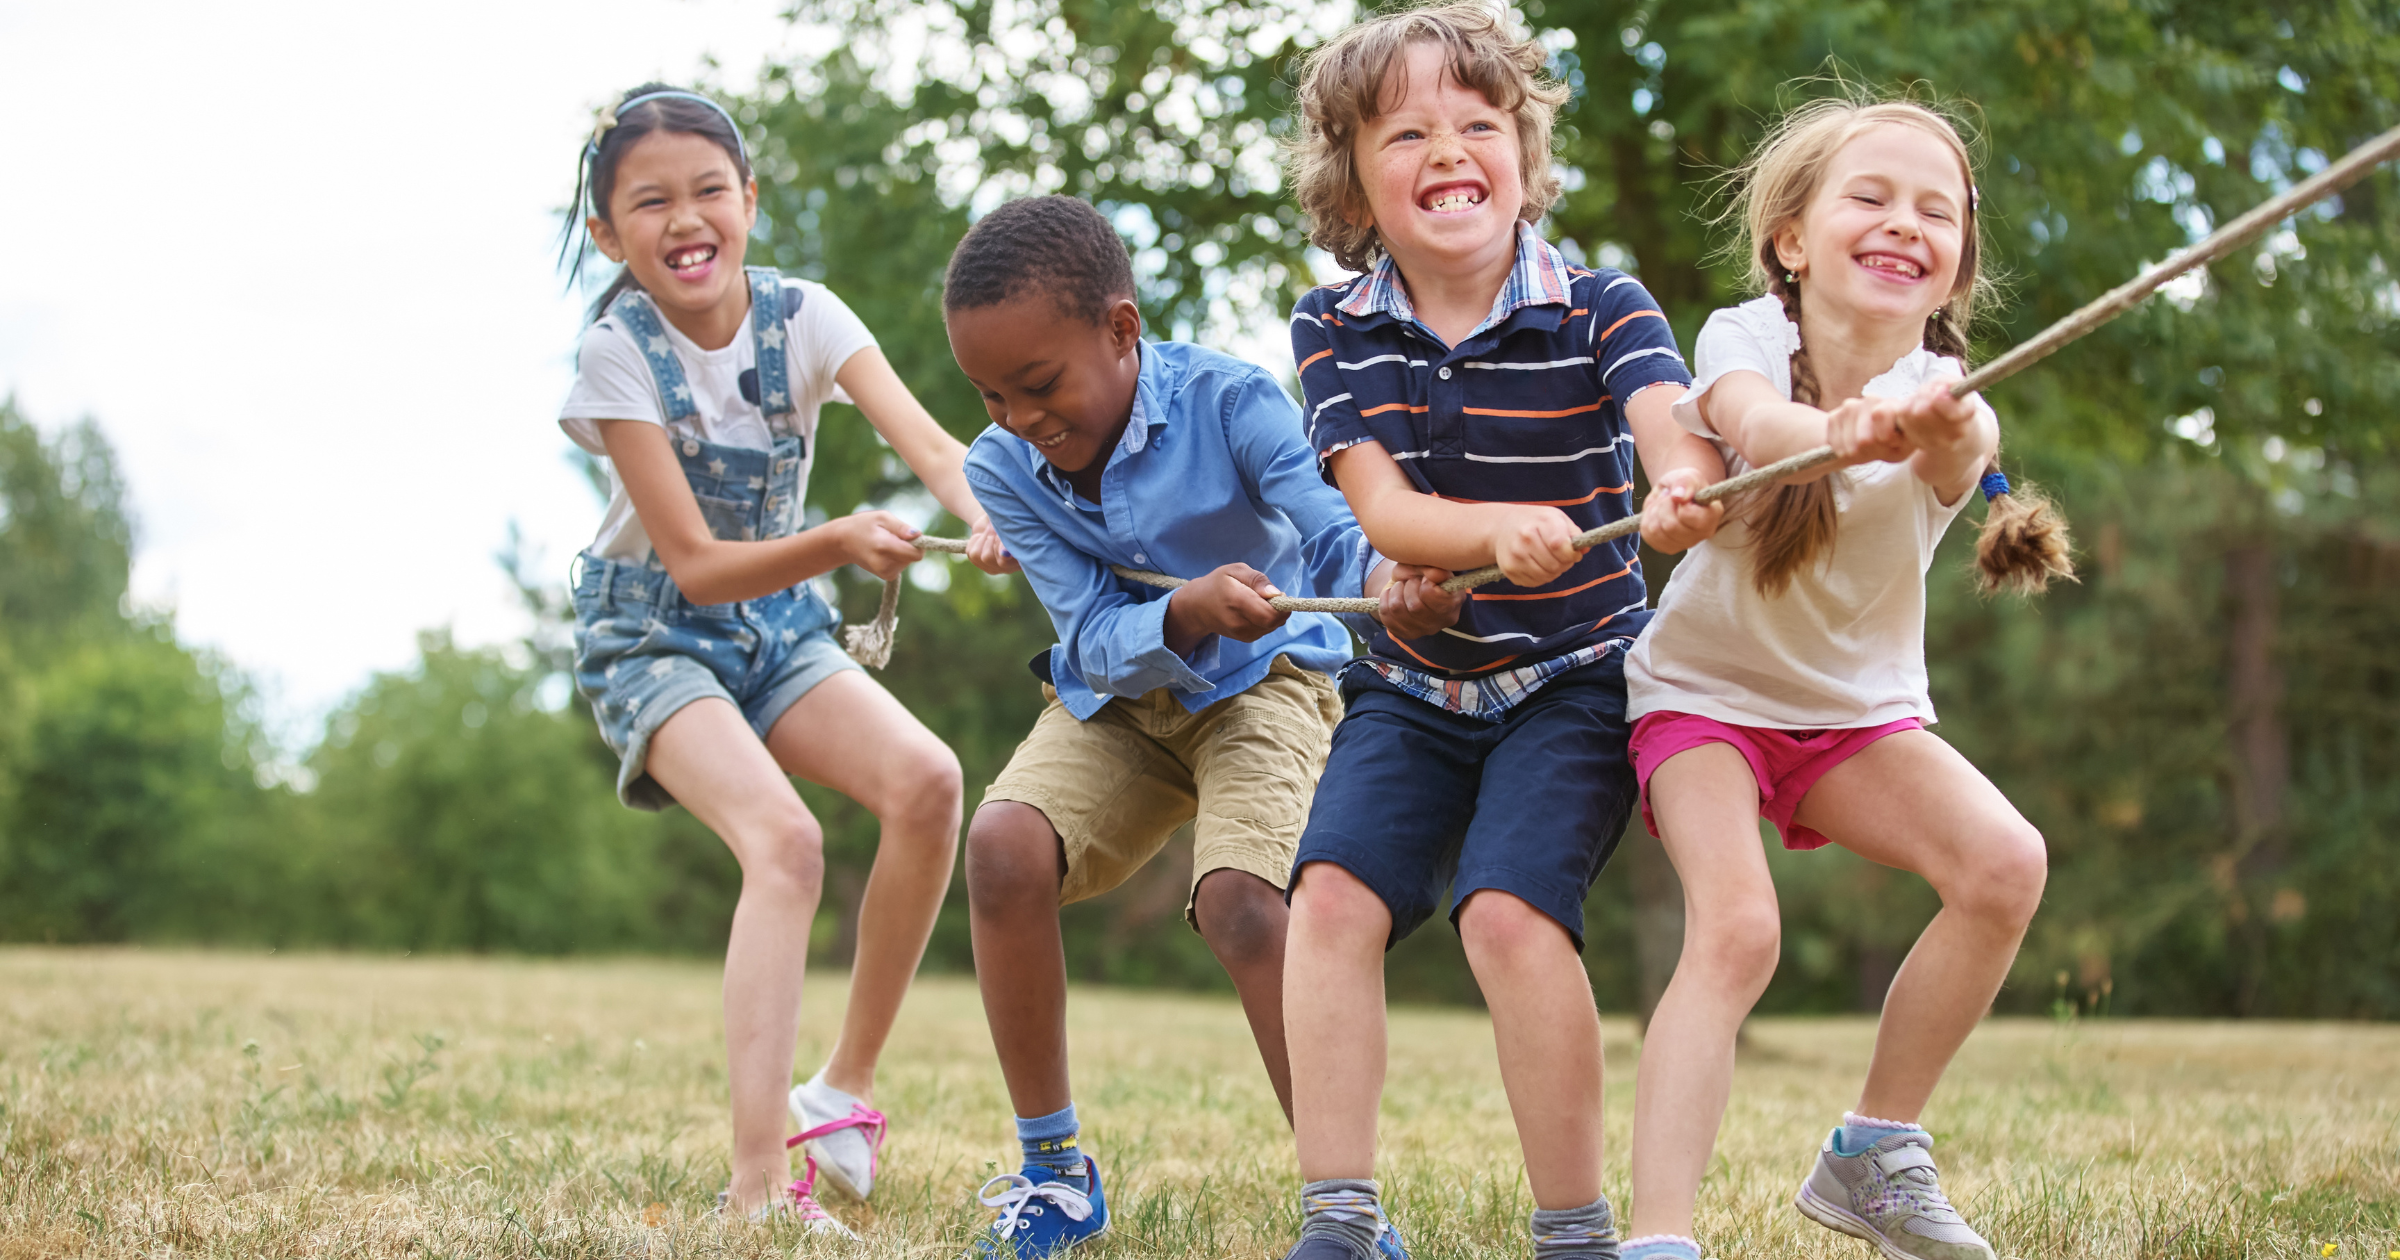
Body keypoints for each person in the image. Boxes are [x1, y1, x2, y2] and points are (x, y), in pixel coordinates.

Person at [1275, 7, 1729, 1259]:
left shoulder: (1601, 303)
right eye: (1407, 131)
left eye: (1479, 124)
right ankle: (1341, 1219)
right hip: (1412, 684)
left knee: (1508, 919)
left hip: (1576, 678)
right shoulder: (1332, 326)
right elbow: (1385, 509)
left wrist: (1681, 490)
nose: (1448, 149)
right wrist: (1470, 542)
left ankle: (1574, 1231)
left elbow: (1668, 433)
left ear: (1523, 157)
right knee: (1326, 906)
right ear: (1354, 180)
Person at [943, 194, 1461, 1258]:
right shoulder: (1001, 469)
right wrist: (1180, 610)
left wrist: (1389, 580)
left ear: (1122, 330)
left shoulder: (1233, 400)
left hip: (1268, 683)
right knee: (1000, 848)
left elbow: (1328, 531)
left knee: (1241, 904)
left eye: (1041, 385)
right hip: (1123, 702)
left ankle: (1345, 1207)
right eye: (991, 394)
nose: (1019, 417)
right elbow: (1087, 637)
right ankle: (1054, 1173)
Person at [555, 84, 1017, 1233]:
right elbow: (700, 563)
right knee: (787, 842)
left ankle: (840, 1097)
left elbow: (930, 443)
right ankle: (757, 1187)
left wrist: (992, 511)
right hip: (654, 627)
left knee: (928, 783)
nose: (685, 217)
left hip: (777, 627)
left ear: (749, 202)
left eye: (709, 189)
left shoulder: (807, 316)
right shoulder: (616, 357)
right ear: (611, 234)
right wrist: (843, 536)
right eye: (649, 202)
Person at [1616, 97, 2072, 1260]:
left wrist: (1923, 426)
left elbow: (1962, 451)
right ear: (1792, 239)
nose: (1904, 223)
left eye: (1937, 211)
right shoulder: (1742, 339)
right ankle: (1661, 1239)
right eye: (1869, 197)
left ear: (1958, 259)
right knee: (1738, 933)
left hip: (1852, 721)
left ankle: (1873, 1152)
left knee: (2005, 863)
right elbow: (1754, 424)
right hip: (1702, 703)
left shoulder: (1956, 398)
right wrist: (1844, 424)